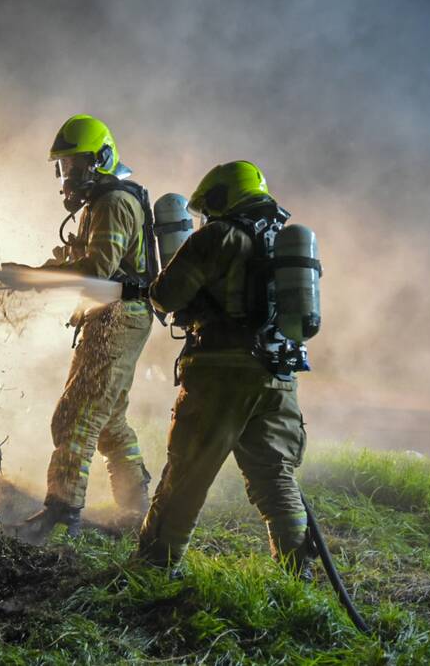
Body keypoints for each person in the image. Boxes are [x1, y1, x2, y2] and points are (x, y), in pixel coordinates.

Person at [136, 160, 314, 577]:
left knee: (187, 473)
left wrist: (161, 281)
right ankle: (298, 575)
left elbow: (167, 296)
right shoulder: (283, 242)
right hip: (278, 377)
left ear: (221, 197)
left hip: (222, 374)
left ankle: (152, 568)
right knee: (275, 478)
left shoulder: (218, 236)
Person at [20, 114, 155, 538]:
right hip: (114, 317)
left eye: (76, 166)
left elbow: (98, 269)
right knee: (109, 420)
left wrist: (37, 279)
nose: (68, 177)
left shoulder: (113, 202)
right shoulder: (101, 203)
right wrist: (28, 274)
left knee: (74, 417)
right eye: (63, 168)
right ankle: (137, 507)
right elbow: (85, 262)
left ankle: (62, 512)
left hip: (117, 319)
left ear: (102, 159)